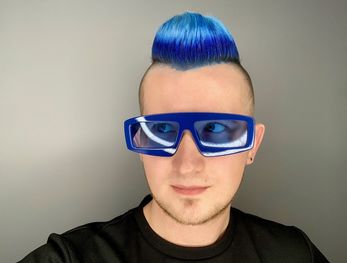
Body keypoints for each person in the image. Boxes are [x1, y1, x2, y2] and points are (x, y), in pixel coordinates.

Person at [19, 11, 329, 262]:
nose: (187, 164)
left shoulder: (293, 253)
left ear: (252, 145)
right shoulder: (70, 258)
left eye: (216, 129)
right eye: (163, 130)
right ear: (140, 143)